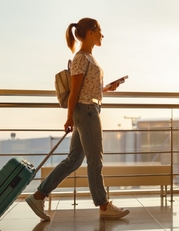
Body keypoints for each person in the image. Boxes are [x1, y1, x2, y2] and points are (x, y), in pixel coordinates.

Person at [25, 18, 130, 221]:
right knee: (95, 160)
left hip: (89, 109)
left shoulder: (89, 58)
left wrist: (107, 88)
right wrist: (69, 118)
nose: (102, 34)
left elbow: (87, 88)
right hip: (87, 112)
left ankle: (38, 196)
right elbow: (74, 92)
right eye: (100, 30)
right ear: (90, 32)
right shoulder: (81, 57)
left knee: (73, 160)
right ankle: (103, 204)